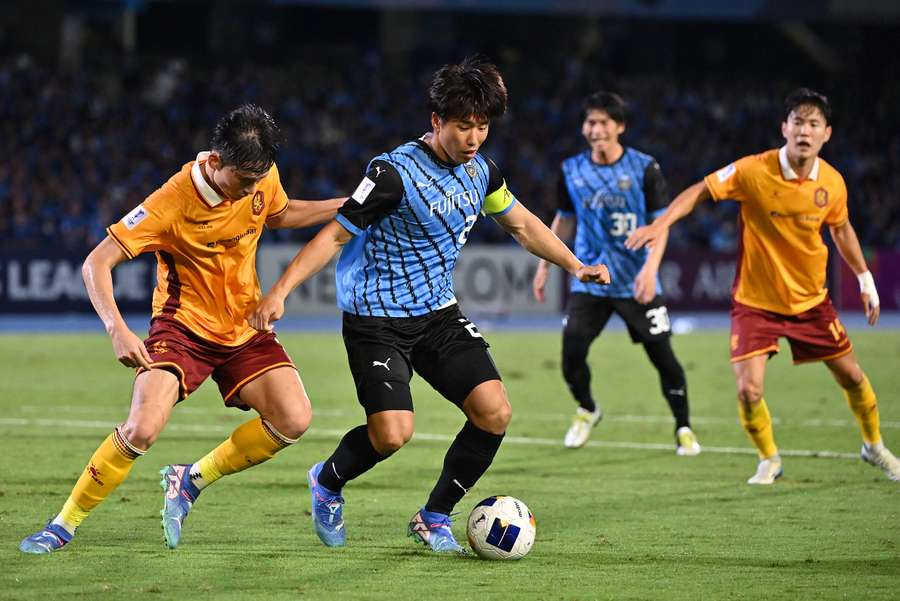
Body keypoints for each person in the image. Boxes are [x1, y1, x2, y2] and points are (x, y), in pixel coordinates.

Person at [249, 56, 610, 553]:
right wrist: (280, 291)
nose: (474, 138)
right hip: (376, 320)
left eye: (483, 127)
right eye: (464, 126)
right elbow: (333, 237)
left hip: (437, 315)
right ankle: (328, 480)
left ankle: (434, 516)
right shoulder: (391, 173)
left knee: (494, 412)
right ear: (437, 121)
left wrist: (575, 265)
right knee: (393, 434)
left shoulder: (482, 173)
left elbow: (523, 225)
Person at [19, 104, 346, 553]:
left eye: (258, 181)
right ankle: (63, 524)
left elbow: (280, 213)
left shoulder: (259, 172)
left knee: (294, 418)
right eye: (244, 181)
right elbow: (96, 262)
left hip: (243, 325)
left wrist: (344, 205)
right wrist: (117, 328)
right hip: (183, 327)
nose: (252, 189)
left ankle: (189, 480)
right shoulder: (171, 201)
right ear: (214, 162)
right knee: (142, 427)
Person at [626, 88, 900, 484]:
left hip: (811, 302)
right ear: (784, 127)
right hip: (755, 304)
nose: (805, 131)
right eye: (798, 122)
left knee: (854, 378)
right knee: (748, 391)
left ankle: (873, 446)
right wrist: (660, 224)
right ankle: (769, 458)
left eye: (813, 124)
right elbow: (701, 191)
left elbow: (841, 229)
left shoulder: (833, 184)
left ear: (827, 134)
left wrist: (865, 278)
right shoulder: (753, 170)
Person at [533, 92, 700, 454]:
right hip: (592, 280)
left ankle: (684, 427)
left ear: (619, 127)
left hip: (636, 281)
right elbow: (564, 220)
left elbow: (661, 224)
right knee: (571, 354)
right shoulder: (571, 170)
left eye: (604, 122)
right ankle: (588, 408)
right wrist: (544, 265)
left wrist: (650, 271)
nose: (596, 129)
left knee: (663, 358)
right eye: (590, 122)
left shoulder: (644, 168)